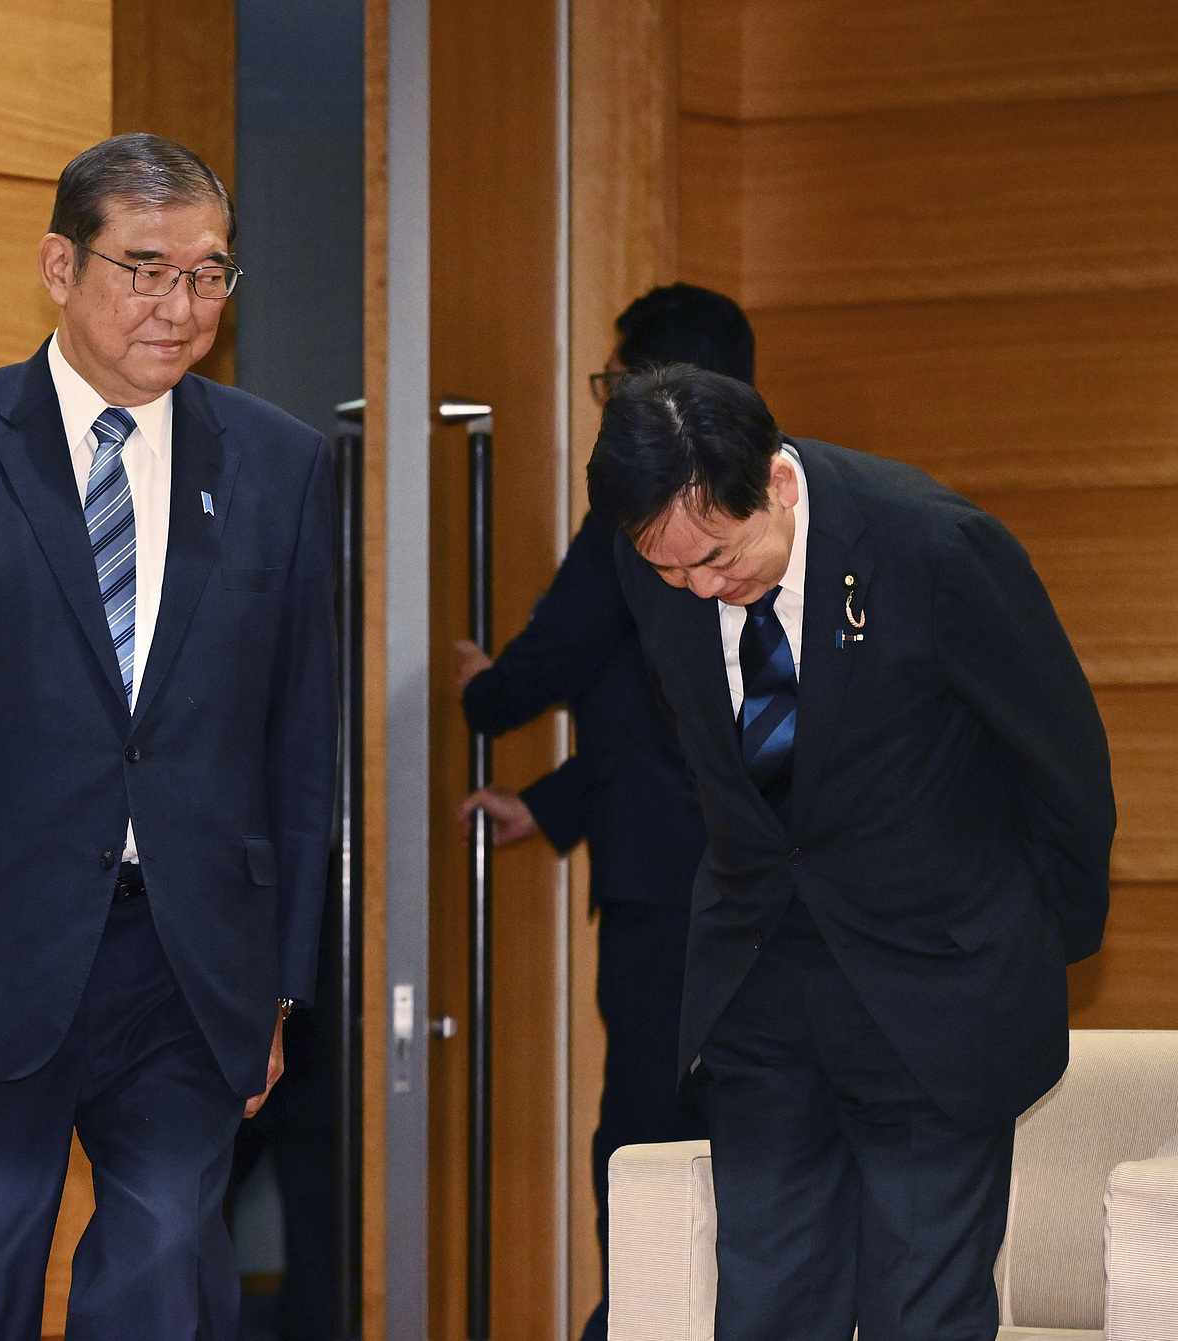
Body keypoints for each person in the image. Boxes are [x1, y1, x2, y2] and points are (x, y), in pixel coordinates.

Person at [0, 133, 338, 1341]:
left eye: (207, 275)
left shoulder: (283, 466)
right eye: (144, 269)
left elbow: (301, 749)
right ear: (57, 265)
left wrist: (283, 993)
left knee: (159, 1269)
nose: (179, 306)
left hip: (188, 959)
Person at [587, 365, 1113, 1339]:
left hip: (932, 992)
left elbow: (1065, 773)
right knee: (766, 1302)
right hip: (762, 989)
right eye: (670, 572)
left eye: (715, 558)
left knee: (920, 1310)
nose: (698, 588)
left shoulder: (934, 550)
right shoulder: (652, 559)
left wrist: (1018, 948)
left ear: (776, 485)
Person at [453, 282, 750, 1341]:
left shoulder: (642, 504)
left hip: (669, 882)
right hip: (756, 880)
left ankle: (634, 1321)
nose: (606, 403)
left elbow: (569, 646)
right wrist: (551, 799)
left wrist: (481, 698)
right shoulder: (768, 503)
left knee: (642, 1130)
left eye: (616, 381)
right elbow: (669, 709)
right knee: (728, 1123)